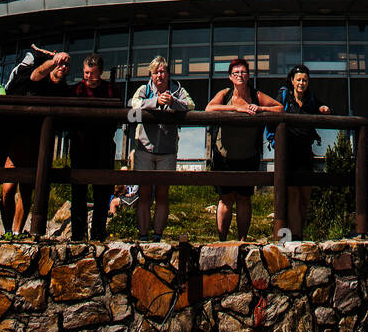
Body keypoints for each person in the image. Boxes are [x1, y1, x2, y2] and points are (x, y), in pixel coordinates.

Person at [205, 57, 282, 242]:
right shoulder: (224, 94)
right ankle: (222, 240)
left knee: (244, 198)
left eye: (243, 72)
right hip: (224, 155)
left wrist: (261, 108)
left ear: (248, 76)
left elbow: (279, 108)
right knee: (225, 198)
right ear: (230, 77)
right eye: (236, 73)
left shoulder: (256, 95)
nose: (240, 75)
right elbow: (209, 109)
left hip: (248, 155)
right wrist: (236, 110)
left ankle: (242, 240)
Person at [0, 46, 70, 236]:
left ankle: (16, 231)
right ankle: (6, 229)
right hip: (17, 137)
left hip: (38, 142)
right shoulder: (36, 80)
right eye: (60, 65)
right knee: (7, 188)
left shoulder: (62, 90)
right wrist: (54, 60)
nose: (63, 67)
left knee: (27, 189)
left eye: (66, 66)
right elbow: (36, 74)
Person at [129, 56, 194, 240]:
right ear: (151, 73)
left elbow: (191, 105)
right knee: (144, 193)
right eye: (156, 71)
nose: (160, 75)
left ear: (168, 73)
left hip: (167, 151)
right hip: (144, 149)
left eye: (163, 71)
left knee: (163, 194)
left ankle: (157, 235)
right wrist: (155, 102)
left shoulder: (178, 90)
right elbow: (133, 107)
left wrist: (173, 102)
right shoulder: (143, 90)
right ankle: (143, 235)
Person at [69, 54, 121, 241]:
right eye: (86, 72)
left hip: (103, 146)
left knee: (102, 191)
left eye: (92, 73)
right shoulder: (75, 91)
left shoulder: (111, 91)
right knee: (78, 191)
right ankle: (78, 232)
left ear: (100, 73)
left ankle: (98, 231)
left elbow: (117, 115)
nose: (88, 76)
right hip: (80, 146)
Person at [282, 64, 330, 240]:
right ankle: (295, 236)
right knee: (293, 194)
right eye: (299, 80)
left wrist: (324, 108)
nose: (301, 83)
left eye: (305, 80)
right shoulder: (285, 96)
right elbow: (275, 109)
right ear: (292, 81)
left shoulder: (310, 98)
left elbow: (321, 107)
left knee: (305, 196)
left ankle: (299, 232)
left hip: (306, 152)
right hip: (289, 151)